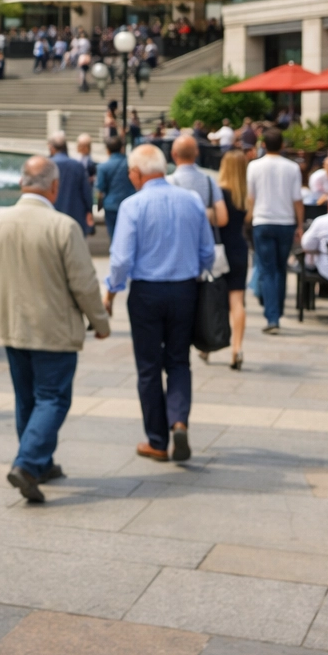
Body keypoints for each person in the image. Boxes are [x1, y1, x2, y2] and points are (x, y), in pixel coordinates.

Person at [0, 156, 110, 502]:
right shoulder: (63, 227)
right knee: (53, 398)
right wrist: (100, 322)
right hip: (54, 330)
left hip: (11, 329)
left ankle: (40, 463)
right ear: (55, 186)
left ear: (21, 183)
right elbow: (84, 283)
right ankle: (29, 463)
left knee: (27, 398)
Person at [103, 144, 213, 463]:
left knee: (149, 368)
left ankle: (157, 440)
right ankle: (178, 420)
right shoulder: (191, 200)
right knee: (179, 360)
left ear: (137, 173)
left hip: (147, 293)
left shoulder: (132, 205)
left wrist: (111, 290)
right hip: (184, 290)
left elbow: (121, 258)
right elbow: (207, 251)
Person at [247, 127, 304, 334]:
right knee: (280, 269)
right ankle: (275, 311)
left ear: (263, 144)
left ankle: (272, 314)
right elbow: (297, 200)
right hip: (285, 221)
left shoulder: (254, 166)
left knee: (268, 269)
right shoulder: (291, 168)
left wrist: (248, 219)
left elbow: (250, 198)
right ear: (282, 145)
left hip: (262, 220)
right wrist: (300, 225)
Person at [215, 150, 251, 370]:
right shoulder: (245, 195)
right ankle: (236, 347)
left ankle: (207, 343)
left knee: (214, 298)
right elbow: (248, 220)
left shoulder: (219, 192)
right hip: (239, 248)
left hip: (220, 250)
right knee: (237, 301)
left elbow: (220, 220)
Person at [168, 135, 226, 227]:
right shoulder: (209, 180)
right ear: (197, 152)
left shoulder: (168, 182)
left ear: (173, 154)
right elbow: (221, 218)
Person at [48, 133, 93, 234]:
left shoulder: (47, 165)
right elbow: (86, 192)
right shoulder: (77, 165)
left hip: (52, 216)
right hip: (75, 216)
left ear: (52, 148)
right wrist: (89, 211)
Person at [95, 135, 136, 239]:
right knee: (130, 234)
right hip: (130, 202)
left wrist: (99, 203)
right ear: (122, 148)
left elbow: (100, 188)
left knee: (114, 236)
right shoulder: (131, 163)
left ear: (107, 150)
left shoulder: (103, 167)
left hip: (111, 205)